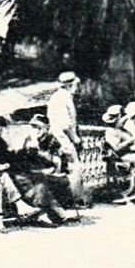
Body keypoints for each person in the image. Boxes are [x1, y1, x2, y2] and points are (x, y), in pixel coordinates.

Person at [46, 71, 85, 202]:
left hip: (57, 137)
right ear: (70, 85)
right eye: (76, 84)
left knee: (60, 168)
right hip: (63, 138)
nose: (77, 87)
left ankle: (64, 198)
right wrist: (75, 138)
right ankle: (75, 199)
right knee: (73, 167)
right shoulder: (63, 98)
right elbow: (66, 124)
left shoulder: (57, 97)